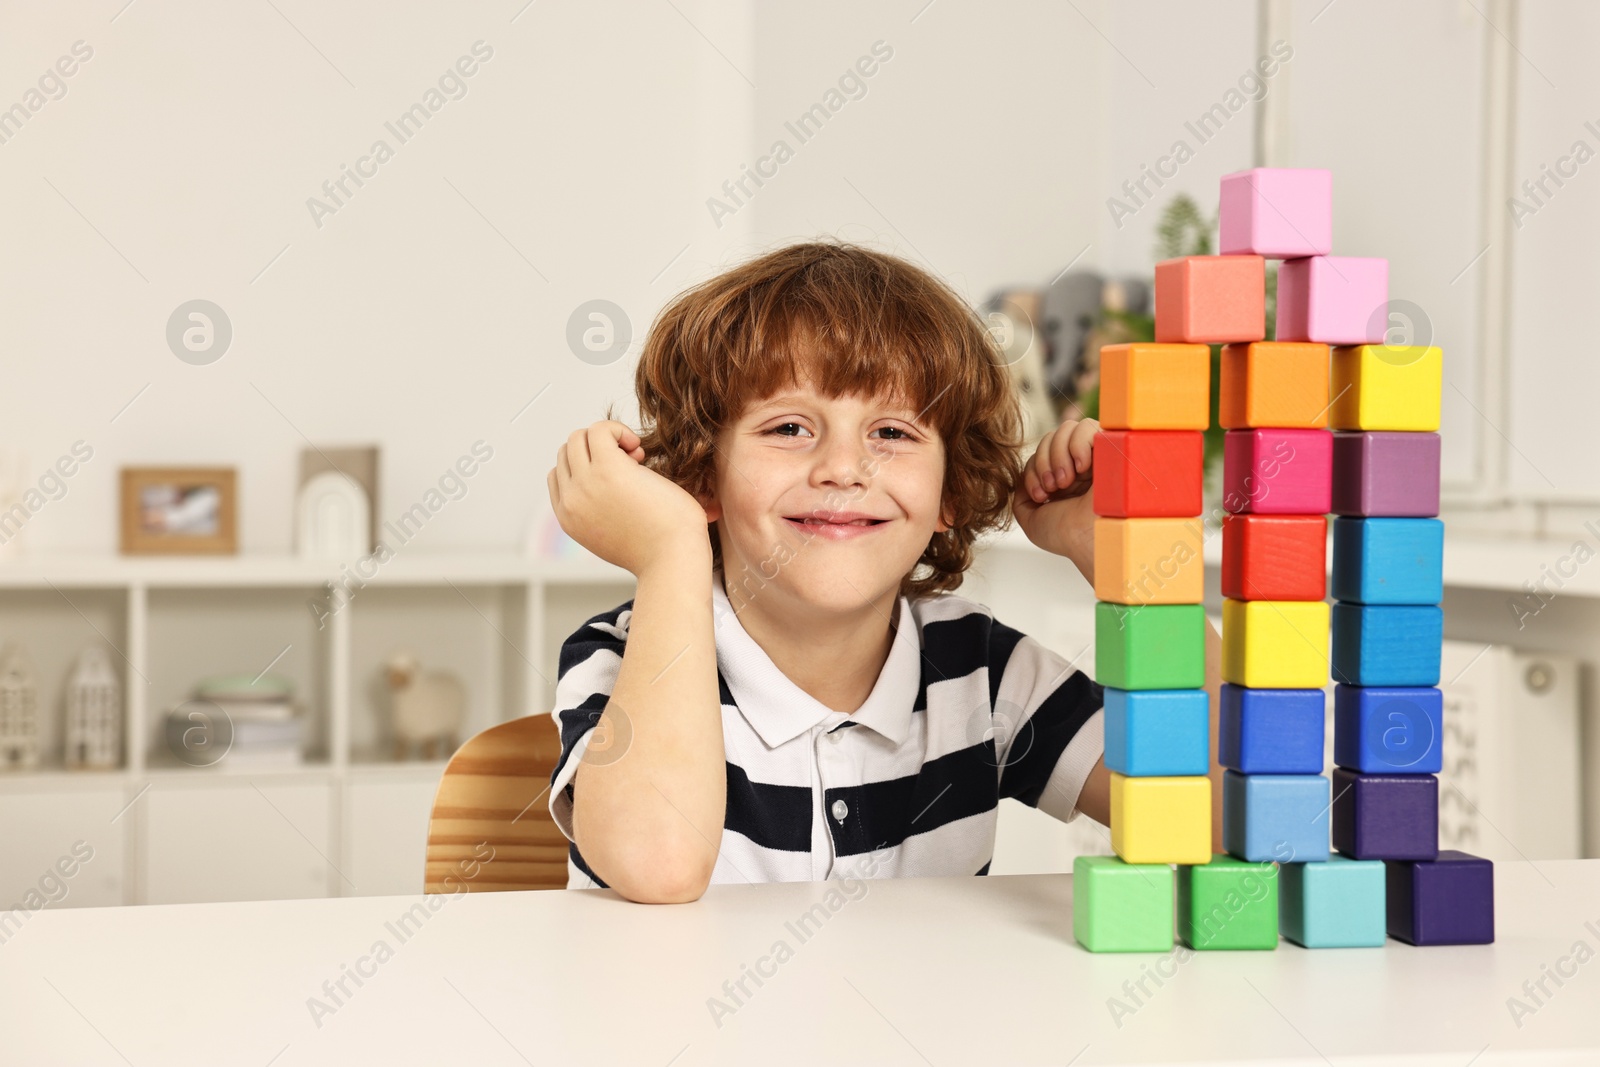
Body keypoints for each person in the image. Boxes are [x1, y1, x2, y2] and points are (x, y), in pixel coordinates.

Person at [544, 240, 1223, 902]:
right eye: (788, 428)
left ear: (950, 491)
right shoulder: (628, 656)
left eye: (892, 433)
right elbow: (657, 865)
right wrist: (671, 553)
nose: (843, 468)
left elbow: (1219, 815)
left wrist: (1133, 565)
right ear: (702, 476)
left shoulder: (984, 673)